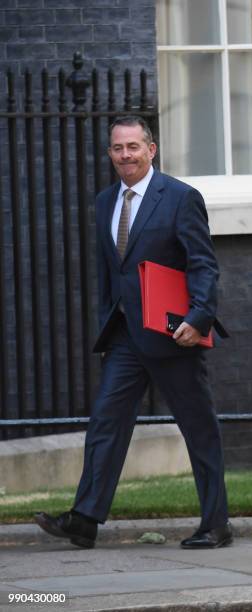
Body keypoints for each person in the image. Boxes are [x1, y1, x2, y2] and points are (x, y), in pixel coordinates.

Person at [35, 116, 232, 550]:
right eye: (117, 148)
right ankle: (85, 519)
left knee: (198, 429)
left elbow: (202, 263)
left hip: (172, 333)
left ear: (151, 149)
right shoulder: (106, 201)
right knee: (105, 421)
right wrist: (109, 320)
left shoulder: (180, 197)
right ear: (110, 154)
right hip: (125, 335)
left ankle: (216, 524)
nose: (125, 155)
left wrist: (198, 318)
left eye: (133, 147)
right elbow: (113, 270)